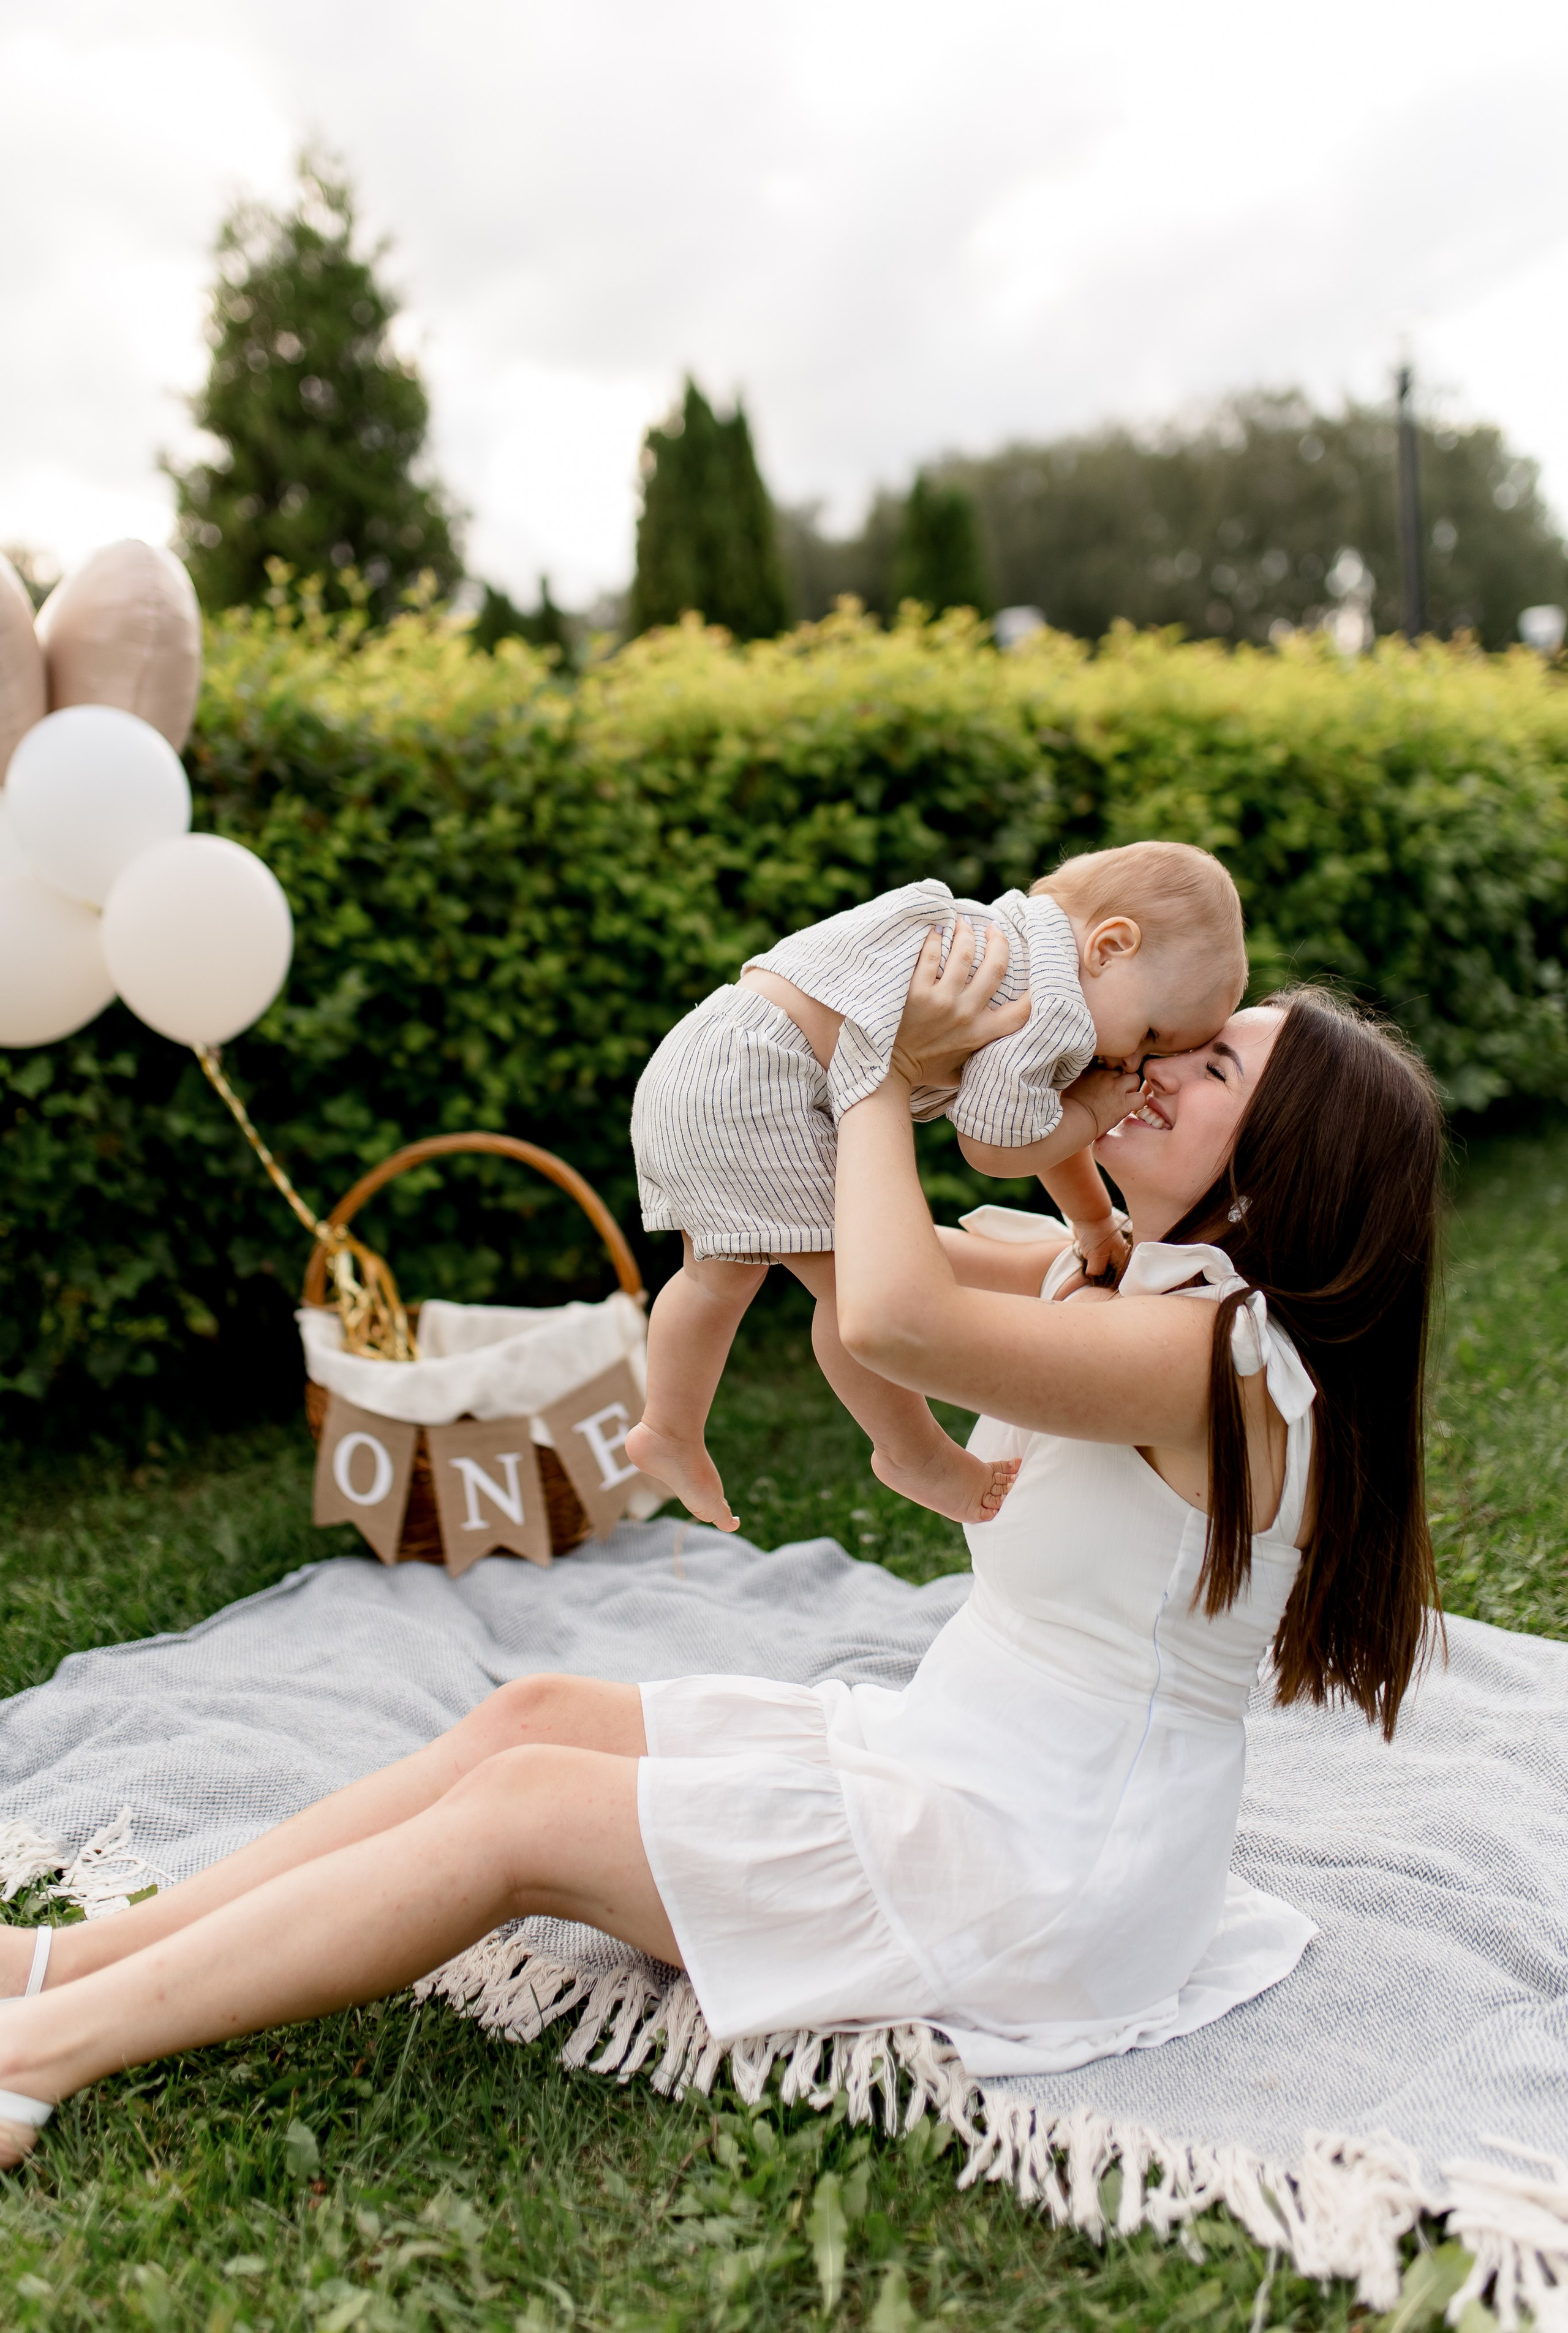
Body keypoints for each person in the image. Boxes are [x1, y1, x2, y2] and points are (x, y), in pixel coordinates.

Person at [0, 926, 1443, 2161]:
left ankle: (42, 2053)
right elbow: (855, 1236)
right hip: (959, 1751)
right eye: (1176, 1038)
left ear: (1287, 1165)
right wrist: (864, 1043)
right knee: (529, 1716)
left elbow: (887, 1315)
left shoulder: (1220, 1359)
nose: (1156, 1064)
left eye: (1209, 1070)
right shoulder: (1122, 1276)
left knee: (521, 1819)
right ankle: (63, 1960)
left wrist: (876, 1062)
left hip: (1043, 1865)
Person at [627, 842, 1247, 1532]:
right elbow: (994, 1144)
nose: (1134, 1061)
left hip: (705, 1055)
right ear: (1110, 946)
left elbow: (1037, 1110)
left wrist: (1095, 1222)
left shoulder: (1002, 937)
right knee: (855, 1289)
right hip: (762, 1082)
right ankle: (913, 1454)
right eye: (1151, 1033)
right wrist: (1094, 1113)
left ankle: (669, 1426)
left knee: (716, 1277)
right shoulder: (1053, 1002)